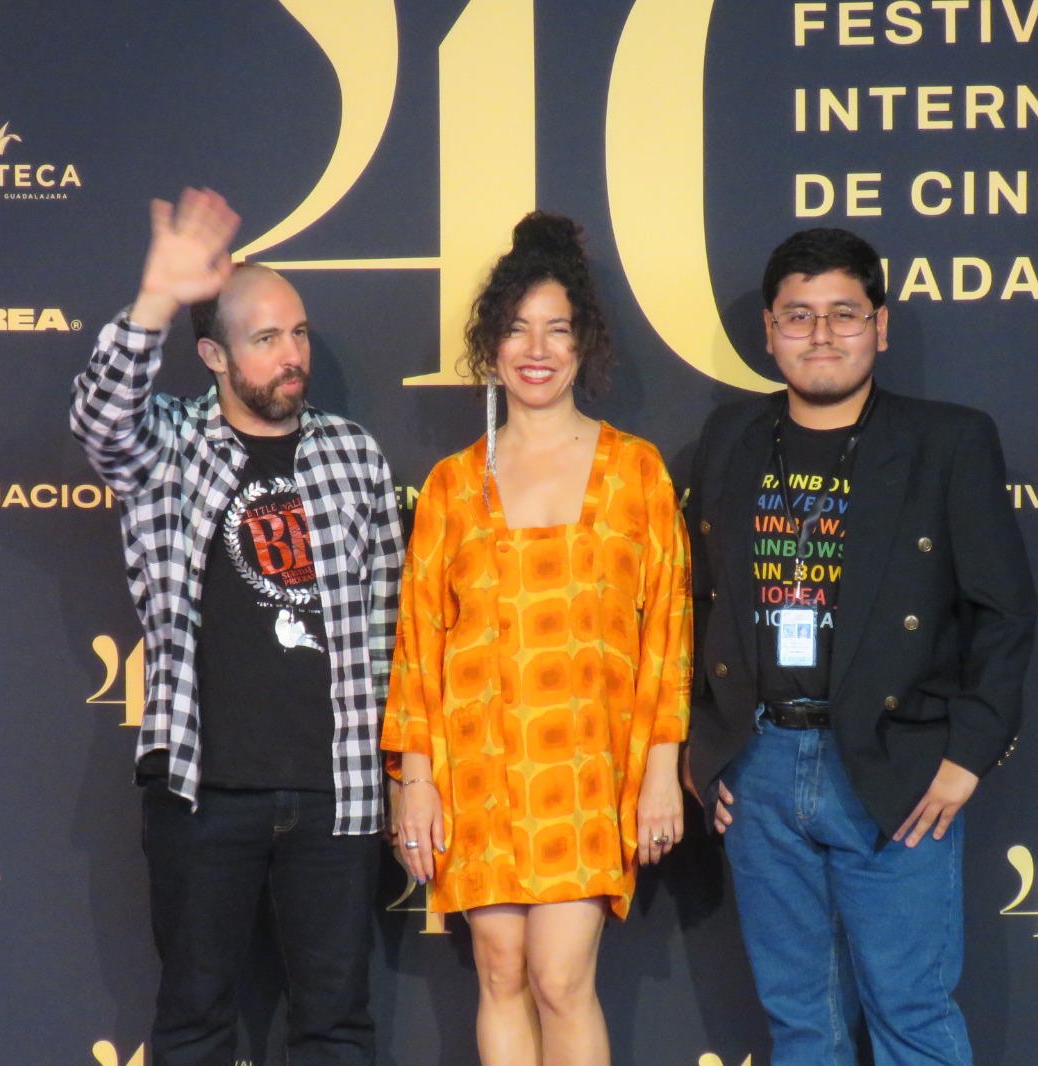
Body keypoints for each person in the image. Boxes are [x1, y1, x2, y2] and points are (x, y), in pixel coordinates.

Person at [683, 227, 1037, 1065]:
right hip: (759, 768)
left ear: (880, 325)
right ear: (768, 331)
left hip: (895, 764)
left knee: (910, 1013)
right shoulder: (729, 439)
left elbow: (1005, 610)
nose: (820, 335)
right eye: (798, 316)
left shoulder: (947, 441)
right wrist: (705, 750)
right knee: (802, 1024)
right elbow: (693, 607)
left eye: (843, 314)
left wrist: (967, 756)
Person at [70, 187, 404, 1066]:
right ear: (214, 354)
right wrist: (157, 296)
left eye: (298, 334)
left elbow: (385, 627)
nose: (293, 357)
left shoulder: (353, 452)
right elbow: (98, 422)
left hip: (338, 792)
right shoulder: (168, 445)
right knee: (192, 1028)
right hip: (199, 790)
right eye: (266, 340)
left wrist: (400, 769)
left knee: (335, 1029)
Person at [385, 212, 692, 1066]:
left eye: (557, 330)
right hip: (478, 768)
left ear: (583, 344)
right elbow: (419, 643)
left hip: (589, 766)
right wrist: (416, 781)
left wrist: (661, 771)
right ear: (491, 343)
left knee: (562, 977)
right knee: (500, 970)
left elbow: (669, 627)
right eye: (518, 328)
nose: (537, 349)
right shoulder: (452, 486)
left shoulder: (636, 471)